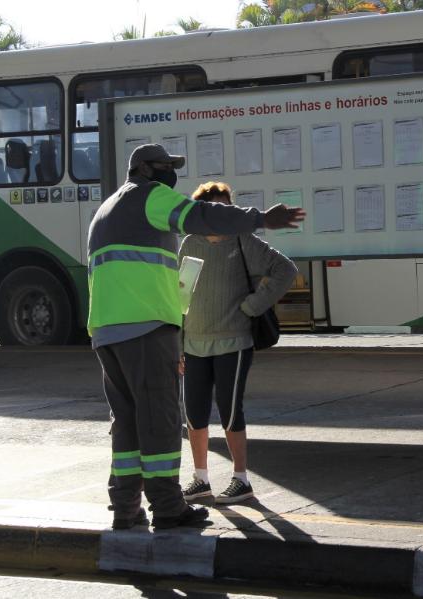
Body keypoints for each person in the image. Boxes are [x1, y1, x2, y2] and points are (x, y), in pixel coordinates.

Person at [87, 144, 304, 530]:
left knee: (127, 423)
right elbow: (202, 215)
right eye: (167, 166)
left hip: (106, 331)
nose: (171, 173)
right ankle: (169, 507)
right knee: (161, 419)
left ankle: (125, 507)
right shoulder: (150, 196)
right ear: (147, 169)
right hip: (146, 326)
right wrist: (261, 218)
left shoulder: (105, 210)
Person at [179, 182, 297, 505]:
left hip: (234, 341)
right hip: (194, 345)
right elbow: (181, 298)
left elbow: (285, 270)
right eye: (215, 209)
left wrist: (252, 306)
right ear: (202, 213)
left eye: (227, 209)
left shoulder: (243, 240)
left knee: (230, 412)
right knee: (194, 414)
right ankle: (200, 479)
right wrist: (178, 343)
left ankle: (241, 479)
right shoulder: (190, 244)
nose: (222, 215)